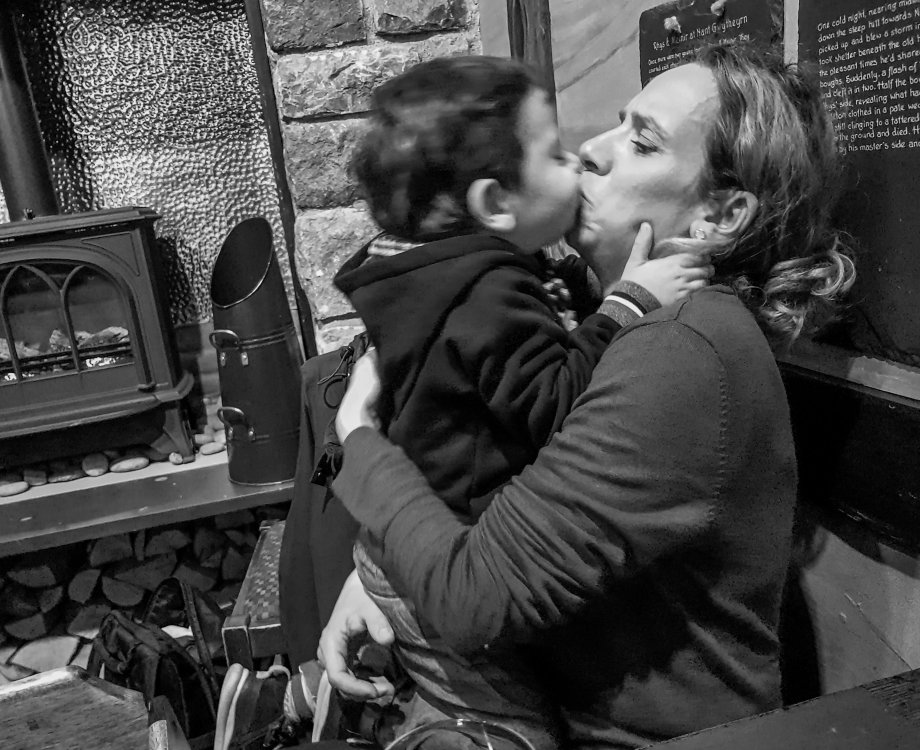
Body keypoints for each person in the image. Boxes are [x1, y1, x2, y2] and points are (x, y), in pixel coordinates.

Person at [320, 41, 857, 749]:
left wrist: (359, 443)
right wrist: (383, 568)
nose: (591, 152)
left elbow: (474, 599)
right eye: (615, 125)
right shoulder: (591, 309)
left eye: (642, 142)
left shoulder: (682, 345)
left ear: (721, 215)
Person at [329, 55, 713, 748]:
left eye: (639, 140)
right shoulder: (488, 292)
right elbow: (555, 402)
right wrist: (628, 302)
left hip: (414, 549)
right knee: (513, 731)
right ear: (496, 204)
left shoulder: (446, 274)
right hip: (440, 566)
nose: (583, 158)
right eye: (556, 154)